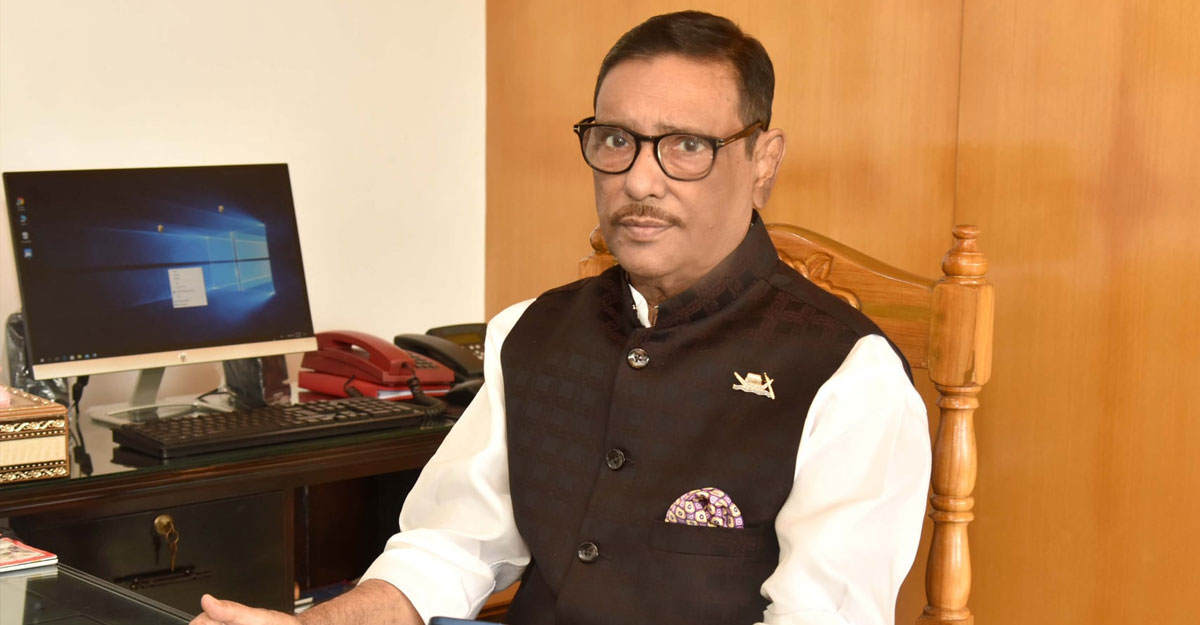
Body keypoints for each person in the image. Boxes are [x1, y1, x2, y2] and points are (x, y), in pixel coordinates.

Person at [193, 10, 929, 625]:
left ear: (763, 161)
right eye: (616, 140)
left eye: (686, 146)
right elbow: (451, 547)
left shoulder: (848, 376)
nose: (640, 180)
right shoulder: (531, 334)